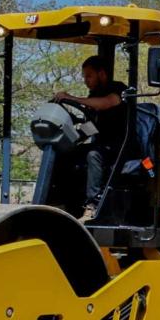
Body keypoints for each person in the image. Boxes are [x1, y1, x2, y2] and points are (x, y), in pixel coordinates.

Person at [54, 55, 133, 222]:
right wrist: (71, 138)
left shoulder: (118, 89)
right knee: (63, 154)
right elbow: (92, 126)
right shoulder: (93, 95)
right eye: (84, 76)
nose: (85, 80)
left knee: (93, 155)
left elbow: (107, 103)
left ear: (101, 73)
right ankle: (62, 203)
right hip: (101, 146)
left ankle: (93, 205)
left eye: (89, 76)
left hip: (121, 148)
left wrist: (72, 98)